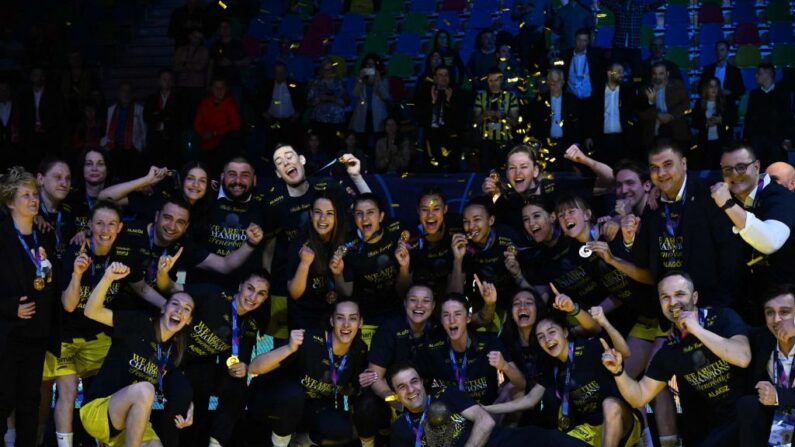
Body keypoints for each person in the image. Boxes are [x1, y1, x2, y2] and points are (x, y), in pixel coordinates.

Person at [600, 271, 751, 446]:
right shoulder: (671, 348)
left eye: (679, 294)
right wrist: (618, 371)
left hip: (753, 409)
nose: (672, 302)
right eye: (665, 297)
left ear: (694, 297)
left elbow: (742, 357)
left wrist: (696, 330)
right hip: (721, 422)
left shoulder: (722, 317)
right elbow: (639, 397)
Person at [47, 200, 149, 447]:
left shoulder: (125, 254)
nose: (105, 229)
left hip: (99, 338)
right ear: (90, 225)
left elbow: (142, 289)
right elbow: (69, 305)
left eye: (111, 224)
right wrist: (77, 274)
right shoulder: (74, 250)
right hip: (66, 336)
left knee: (105, 394)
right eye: (100, 223)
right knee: (68, 391)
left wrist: (168, 303)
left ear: (120, 227)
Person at [80, 263, 195, 447]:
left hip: (133, 421)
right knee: (145, 389)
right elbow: (91, 311)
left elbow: (176, 384)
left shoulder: (173, 352)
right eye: (175, 304)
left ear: (188, 321)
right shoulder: (138, 323)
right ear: (163, 308)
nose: (179, 311)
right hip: (100, 409)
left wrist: (189, 406)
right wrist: (107, 278)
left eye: (186, 309)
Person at [487, 310, 641, 447]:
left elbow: (625, 352)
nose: (547, 339)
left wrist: (605, 323)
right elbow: (529, 400)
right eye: (541, 337)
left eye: (551, 332)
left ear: (565, 332)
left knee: (610, 405)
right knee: (552, 439)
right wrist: (487, 408)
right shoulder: (551, 367)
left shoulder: (589, 348)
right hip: (589, 429)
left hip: (621, 421)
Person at [624, 142, 744, 307]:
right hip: (671, 309)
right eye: (654, 167)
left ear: (684, 164)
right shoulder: (652, 205)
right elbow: (645, 262)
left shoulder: (710, 195)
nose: (661, 173)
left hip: (711, 304)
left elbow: (730, 255)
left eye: (667, 165)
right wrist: (629, 239)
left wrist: (721, 305)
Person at [248, 300, 370, 447]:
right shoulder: (309, 339)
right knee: (293, 393)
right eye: (340, 317)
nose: (346, 324)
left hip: (313, 408)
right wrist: (289, 348)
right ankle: (280, 441)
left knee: (342, 429)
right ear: (331, 320)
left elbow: (347, 388)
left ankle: (301, 441)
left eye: (352, 318)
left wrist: (362, 382)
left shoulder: (359, 350)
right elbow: (254, 367)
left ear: (361, 322)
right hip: (279, 404)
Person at [387, 361, 589, 447]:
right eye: (402, 386)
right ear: (395, 395)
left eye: (414, 381)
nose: (411, 389)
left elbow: (485, 421)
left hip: (500, 442)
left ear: (422, 382)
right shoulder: (400, 429)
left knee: (551, 439)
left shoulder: (445, 394)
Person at [0, 166, 60, 447]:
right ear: (10, 202)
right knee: (3, 399)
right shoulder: (2, 236)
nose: (33, 200)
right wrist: (10, 308)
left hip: (36, 334)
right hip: (7, 333)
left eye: (35, 194)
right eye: (25, 195)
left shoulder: (44, 234)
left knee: (30, 402)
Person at [179, 270, 270, 447]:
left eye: (261, 294)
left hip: (201, 367)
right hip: (177, 361)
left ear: (265, 299)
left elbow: (238, 361)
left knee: (238, 385)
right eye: (250, 288)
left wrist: (242, 366)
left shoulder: (250, 324)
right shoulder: (214, 295)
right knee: (194, 406)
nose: (253, 297)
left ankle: (216, 441)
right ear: (240, 286)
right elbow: (173, 293)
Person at [265, 144, 370, 298]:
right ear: (278, 173)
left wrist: (356, 177)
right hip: (294, 281)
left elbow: (369, 211)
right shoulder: (274, 203)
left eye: (289, 156)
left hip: (334, 276)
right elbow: (268, 250)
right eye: (279, 162)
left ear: (302, 159)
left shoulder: (326, 187)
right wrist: (266, 283)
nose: (286, 162)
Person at [710, 144, 795, 315]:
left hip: (783, 306)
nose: (734, 174)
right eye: (727, 170)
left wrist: (728, 205)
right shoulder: (722, 191)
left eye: (741, 167)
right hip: (739, 304)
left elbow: (770, 242)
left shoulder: (782, 197)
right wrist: (656, 193)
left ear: (756, 166)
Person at [416, 293, 527, 405]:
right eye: (446, 315)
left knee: (516, 391)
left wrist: (504, 365)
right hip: (449, 414)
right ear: (441, 320)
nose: (452, 320)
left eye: (457, 314)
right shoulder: (432, 348)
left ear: (468, 318)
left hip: (488, 410)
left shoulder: (489, 342)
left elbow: (522, 384)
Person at [332, 193, 411, 332]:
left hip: (399, 309)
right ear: (354, 218)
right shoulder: (347, 246)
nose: (365, 218)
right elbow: (347, 294)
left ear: (381, 216)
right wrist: (337, 275)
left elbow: (405, 291)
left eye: (370, 212)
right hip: (366, 316)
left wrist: (404, 267)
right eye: (359, 214)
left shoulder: (396, 232)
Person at [737, 284, 795, 445]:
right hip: (777, 421)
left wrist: (778, 396)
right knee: (748, 405)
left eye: (784, 312)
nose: (776, 320)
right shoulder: (762, 338)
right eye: (770, 313)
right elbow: (729, 327)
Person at [449, 197, 521, 320]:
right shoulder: (462, 245)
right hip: (481, 307)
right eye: (466, 221)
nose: (471, 226)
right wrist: (457, 259)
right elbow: (455, 298)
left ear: (491, 220)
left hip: (514, 304)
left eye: (477, 220)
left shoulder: (508, 237)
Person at [99, 161, 212, 239]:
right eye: (190, 178)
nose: (196, 184)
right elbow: (104, 197)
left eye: (202, 181)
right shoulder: (161, 201)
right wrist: (147, 180)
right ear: (182, 182)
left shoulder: (209, 211)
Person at [286, 192, 349, 330]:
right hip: (305, 320)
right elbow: (294, 293)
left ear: (337, 216)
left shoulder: (344, 242)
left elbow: (347, 293)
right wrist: (304, 264)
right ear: (310, 214)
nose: (322, 218)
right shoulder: (299, 243)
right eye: (318, 212)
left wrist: (338, 275)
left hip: (335, 319)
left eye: (330, 213)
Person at [403, 188, 463, 300]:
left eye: (436, 209)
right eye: (425, 209)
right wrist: (404, 267)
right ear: (418, 211)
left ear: (445, 209)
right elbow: (403, 294)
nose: (430, 215)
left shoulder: (459, 227)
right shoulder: (410, 236)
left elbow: (457, 297)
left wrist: (458, 261)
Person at [413, 65, 466, 172]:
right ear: (435, 78)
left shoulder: (457, 93)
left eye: (446, 75)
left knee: (453, 168)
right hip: (431, 135)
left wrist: (448, 101)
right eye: (440, 75)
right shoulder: (425, 93)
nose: (443, 78)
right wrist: (433, 101)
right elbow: (419, 116)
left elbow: (460, 119)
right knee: (432, 168)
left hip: (451, 137)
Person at [529, 69, 583, 169]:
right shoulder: (540, 101)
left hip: (567, 145)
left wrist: (576, 142)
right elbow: (535, 123)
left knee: (567, 173)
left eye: (556, 81)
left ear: (562, 82)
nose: (553, 84)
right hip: (547, 146)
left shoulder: (571, 100)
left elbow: (577, 123)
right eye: (550, 81)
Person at [744, 63, 794, 167]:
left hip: (777, 141)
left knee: (778, 172)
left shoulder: (782, 93)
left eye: (759, 73)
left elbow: (787, 117)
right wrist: (747, 141)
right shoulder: (754, 94)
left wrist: (788, 138)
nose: (756, 76)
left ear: (769, 74)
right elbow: (748, 119)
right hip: (757, 141)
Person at [601, 0, 665, 80]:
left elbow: (653, 5)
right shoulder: (618, 7)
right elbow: (606, 2)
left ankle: (636, 88)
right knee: (613, 70)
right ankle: (614, 86)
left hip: (634, 47)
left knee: (638, 73)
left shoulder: (639, 7)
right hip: (618, 47)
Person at [193, 78, 242, 176]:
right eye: (216, 87)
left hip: (224, 143)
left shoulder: (230, 104)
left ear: (226, 89)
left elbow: (235, 125)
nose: (219, 91)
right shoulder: (205, 103)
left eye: (222, 88)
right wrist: (203, 133)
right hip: (206, 141)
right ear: (211, 89)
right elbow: (197, 123)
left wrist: (216, 132)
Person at [473, 68, 519, 171]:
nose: (493, 83)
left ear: (501, 80)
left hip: (505, 142)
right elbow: (475, 121)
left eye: (496, 80)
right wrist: (485, 114)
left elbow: (515, 122)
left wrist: (503, 116)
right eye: (490, 80)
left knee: (505, 174)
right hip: (486, 143)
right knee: (487, 174)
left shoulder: (510, 97)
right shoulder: (481, 97)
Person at [592, 63, 638, 165]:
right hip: (602, 139)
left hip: (622, 139)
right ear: (609, 74)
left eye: (623, 72)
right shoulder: (597, 93)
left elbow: (638, 107)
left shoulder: (628, 91)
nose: (622, 74)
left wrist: (650, 102)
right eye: (619, 72)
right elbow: (592, 116)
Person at [638, 62, 689, 151]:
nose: (657, 77)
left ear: (667, 74)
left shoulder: (677, 85)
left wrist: (671, 116)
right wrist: (653, 107)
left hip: (676, 130)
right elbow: (640, 113)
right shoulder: (644, 90)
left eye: (661, 74)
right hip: (653, 133)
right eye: (655, 74)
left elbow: (686, 106)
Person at [101, 82, 147, 179]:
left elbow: (144, 131)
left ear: (132, 94)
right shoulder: (111, 110)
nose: (126, 94)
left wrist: (141, 146)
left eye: (128, 91)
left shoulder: (140, 110)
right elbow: (108, 129)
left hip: (133, 149)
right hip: (115, 148)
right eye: (123, 91)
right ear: (118, 93)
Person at [35, 158, 77, 259]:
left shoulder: (71, 210)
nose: (64, 183)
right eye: (58, 177)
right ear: (41, 179)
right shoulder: (27, 210)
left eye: (68, 178)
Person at [143, 69, 185, 169]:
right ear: (159, 81)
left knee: (171, 168)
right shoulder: (152, 98)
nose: (166, 82)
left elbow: (180, 118)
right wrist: (164, 117)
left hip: (172, 140)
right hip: (155, 140)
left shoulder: (179, 98)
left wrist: (160, 117)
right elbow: (147, 116)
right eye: (164, 79)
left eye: (169, 79)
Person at [307, 58, 349, 154]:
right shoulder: (315, 83)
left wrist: (333, 99)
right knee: (321, 148)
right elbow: (309, 102)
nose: (328, 72)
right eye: (326, 70)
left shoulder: (340, 83)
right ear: (322, 70)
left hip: (337, 121)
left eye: (330, 69)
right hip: (319, 121)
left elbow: (347, 101)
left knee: (336, 147)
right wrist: (320, 99)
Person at [692, 77, 735, 169]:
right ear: (706, 88)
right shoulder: (699, 103)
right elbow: (694, 122)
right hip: (704, 142)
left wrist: (721, 119)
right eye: (711, 86)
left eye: (716, 86)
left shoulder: (726, 102)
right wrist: (706, 123)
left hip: (722, 142)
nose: (714, 89)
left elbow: (734, 118)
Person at [349, 54, 390, 149]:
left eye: (372, 65)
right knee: (362, 143)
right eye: (368, 65)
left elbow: (386, 97)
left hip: (378, 116)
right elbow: (355, 94)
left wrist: (378, 81)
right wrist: (360, 79)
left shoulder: (383, 79)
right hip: (363, 115)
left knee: (378, 143)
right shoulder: (360, 80)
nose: (370, 67)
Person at [260, 61, 304, 147]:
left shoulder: (295, 85)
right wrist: (263, 112)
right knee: (272, 145)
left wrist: (299, 112)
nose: (279, 74)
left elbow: (302, 100)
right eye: (277, 72)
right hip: (273, 121)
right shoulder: (267, 85)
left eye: (282, 71)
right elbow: (259, 100)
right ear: (273, 73)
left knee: (291, 145)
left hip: (290, 122)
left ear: (286, 72)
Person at [207, 19, 250, 95]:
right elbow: (211, 64)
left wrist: (232, 63)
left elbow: (247, 61)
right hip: (218, 83)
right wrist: (208, 83)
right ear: (219, 30)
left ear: (231, 29)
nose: (224, 29)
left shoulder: (238, 44)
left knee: (235, 106)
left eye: (227, 27)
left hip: (234, 83)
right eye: (222, 27)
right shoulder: (215, 45)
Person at [698, 40, 745, 107]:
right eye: (717, 50)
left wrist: (729, 92)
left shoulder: (735, 71)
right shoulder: (708, 69)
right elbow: (700, 88)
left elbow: (741, 90)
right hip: (710, 102)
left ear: (727, 52)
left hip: (728, 103)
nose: (719, 52)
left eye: (722, 50)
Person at [172, 28, 209, 113]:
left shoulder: (204, 51)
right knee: (183, 112)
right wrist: (193, 65)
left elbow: (200, 67)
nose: (197, 40)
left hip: (197, 86)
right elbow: (175, 67)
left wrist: (184, 64)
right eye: (195, 37)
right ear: (190, 36)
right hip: (183, 85)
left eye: (199, 38)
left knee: (196, 111)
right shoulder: (180, 50)